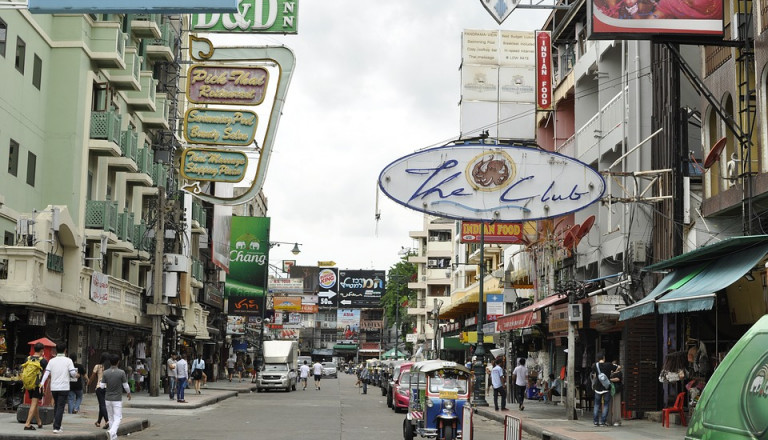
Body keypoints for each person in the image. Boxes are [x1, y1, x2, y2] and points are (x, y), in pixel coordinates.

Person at [40, 343, 78, 434]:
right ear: (65, 350)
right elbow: (73, 373)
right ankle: (56, 427)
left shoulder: (52, 361)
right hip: (64, 387)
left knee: (57, 406)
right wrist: (76, 374)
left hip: (54, 387)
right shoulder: (68, 361)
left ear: (56, 350)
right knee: (60, 407)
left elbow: (46, 373)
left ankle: (57, 425)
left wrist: (41, 383)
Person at [101, 353, 131, 440]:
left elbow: (102, 386)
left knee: (110, 417)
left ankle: (113, 437)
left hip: (107, 398)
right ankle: (112, 432)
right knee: (118, 417)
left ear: (110, 362)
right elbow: (125, 385)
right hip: (117, 399)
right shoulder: (121, 372)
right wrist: (128, 393)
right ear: (118, 362)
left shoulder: (105, 372)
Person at [22, 342, 48, 431]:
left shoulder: (27, 359)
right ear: (41, 350)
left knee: (35, 403)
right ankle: (27, 423)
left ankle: (39, 422)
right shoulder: (43, 361)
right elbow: (47, 372)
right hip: (37, 385)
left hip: (29, 384)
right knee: (33, 403)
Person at [591, 351, 618, 426]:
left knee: (596, 404)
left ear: (597, 358)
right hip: (606, 387)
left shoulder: (594, 365)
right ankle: (603, 422)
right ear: (604, 358)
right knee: (606, 404)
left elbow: (594, 375)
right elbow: (617, 368)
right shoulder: (609, 365)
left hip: (597, 388)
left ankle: (596, 422)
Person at [90, 352, 110, 430]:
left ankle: (107, 421)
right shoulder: (110, 368)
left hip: (99, 387)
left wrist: (89, 382)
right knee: (102, 405)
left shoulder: (98, 366)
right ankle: (98, 422)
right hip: (107, 388)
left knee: (102, 405)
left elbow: (92, 376)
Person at [607, 360, 623, 426]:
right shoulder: (610, 372)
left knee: (617, 404)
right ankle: (609, 420)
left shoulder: (619, 373)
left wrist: (610, 379)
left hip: (617, 389)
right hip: (610, 389)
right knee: (609, 404)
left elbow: (618, 379)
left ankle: (617, 420)